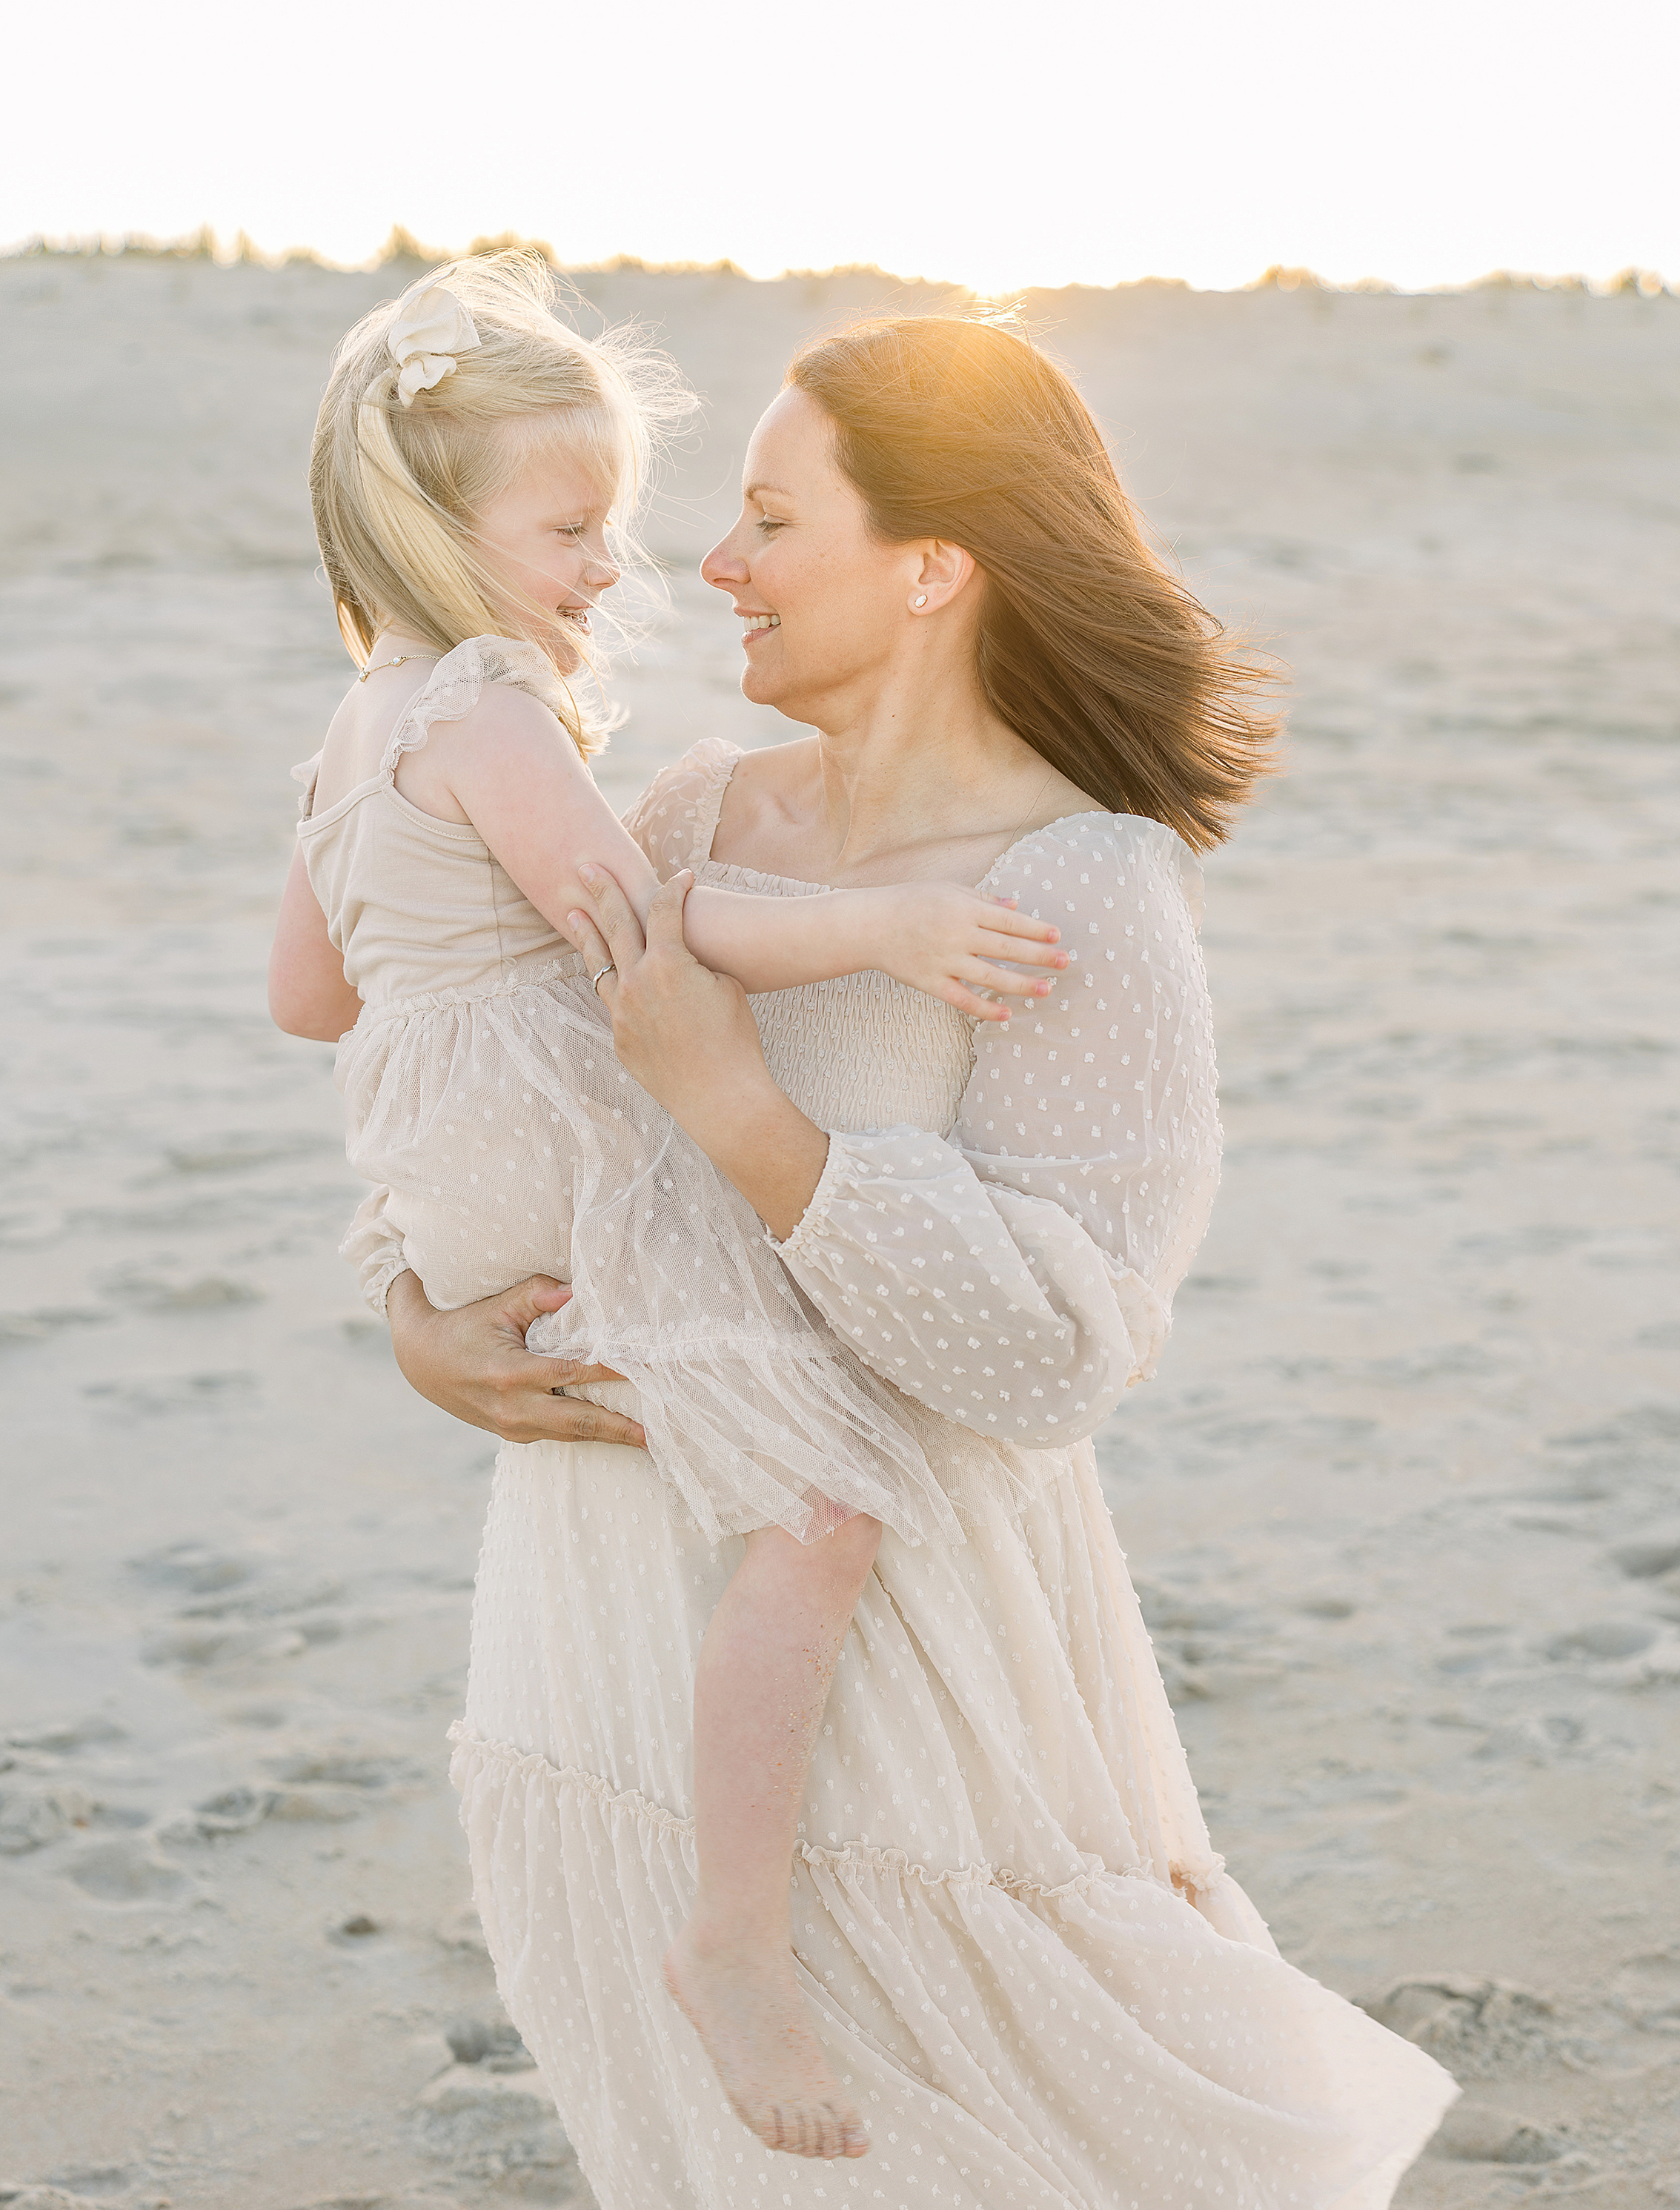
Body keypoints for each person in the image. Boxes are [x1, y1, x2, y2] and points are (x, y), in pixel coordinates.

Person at [364, 312, 1460, 2207]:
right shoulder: (694, 815)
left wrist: (750, 1114)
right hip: (621, 1606)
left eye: (772, 517)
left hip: (910, 1653)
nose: (712, 564)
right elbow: (482, 1049)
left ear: (933, 564)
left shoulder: (1082, 884)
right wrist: (411, 1316)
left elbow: (1057, 1356)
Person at [268, 256, 1069, 2162]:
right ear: (434, 527)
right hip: (560, 1132)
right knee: (824, 1507)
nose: (614, 565)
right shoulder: (482, 701)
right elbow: (642, 923)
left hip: (433, 1161)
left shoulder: (354, 728)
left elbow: (308, 997)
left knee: (722, 1465)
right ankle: (733, 1937)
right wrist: (880, 924)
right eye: (572, 527)